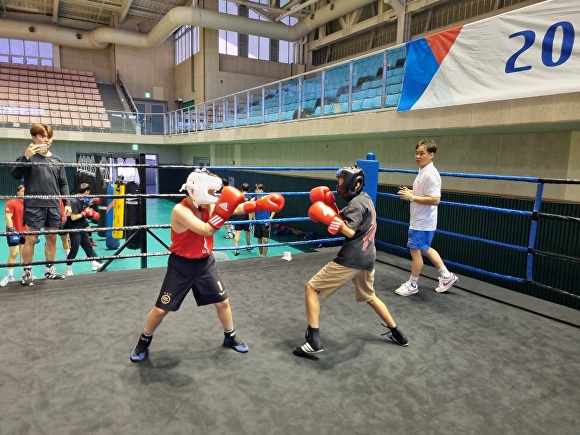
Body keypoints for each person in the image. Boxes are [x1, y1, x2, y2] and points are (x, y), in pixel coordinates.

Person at [129, 169, 284, 362]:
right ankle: (144, 340)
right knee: (161, 309)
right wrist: (223, 210)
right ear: (198, 191)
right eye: (210, 192)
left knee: (222, 302)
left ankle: (230, 336)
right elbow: (205, 230)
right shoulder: (181, 210)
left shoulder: (207, 205)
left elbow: (234, 209)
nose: (214, 196)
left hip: (204, 263)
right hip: (181, 265)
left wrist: (258, 204)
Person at [293, 166, 408, 357]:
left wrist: (331, 220)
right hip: (368, 257)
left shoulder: (356, 204)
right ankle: (398, 334)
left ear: (353, 184)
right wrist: (332, 211)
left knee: (311, 288)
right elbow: (346, 218)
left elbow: (349, 231)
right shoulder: (365, 199)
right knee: (370, 297)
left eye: (340, 183)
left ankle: (313, 340)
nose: (338, 187)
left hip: (352, 258)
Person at [395, 139, 459, 296]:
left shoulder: (431, 174)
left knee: (415, 251)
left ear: (431, 155)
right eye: (416, 153)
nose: (417, 156)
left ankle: (413, 284)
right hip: (421, 219)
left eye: (422, 153)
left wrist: (411, 197)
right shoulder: (423, 171)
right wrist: (410, 192)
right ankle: (446, 276)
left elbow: (435, 200)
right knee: (425, 248)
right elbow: (424, 195)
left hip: (422, 221)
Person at [10, 123, 72, 286]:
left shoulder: (57, 160)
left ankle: (49, 270)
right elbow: (15, 175)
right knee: (31, 239)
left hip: (53, 205)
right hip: (34, 206)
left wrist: (67, 202)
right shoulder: (27, 157)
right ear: (34, 137)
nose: (46, 139)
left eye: (49, 136)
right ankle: (27, 272)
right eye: (42, 136)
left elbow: (63, 183)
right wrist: (26, 157)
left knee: (52, 238)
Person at [63, 183, 103, 276]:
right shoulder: (73, 201)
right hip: (74, 229)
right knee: (74, 249)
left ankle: (94, 264)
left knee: (88, 246)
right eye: (88, 192)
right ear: (86, 191)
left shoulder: (81, 199)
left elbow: (83, 206)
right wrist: (85, 213)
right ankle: (68, 268)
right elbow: (73, 217)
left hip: (81, 227)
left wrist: (91, 203)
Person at [1, 185, 26, 287]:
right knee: (14, 253)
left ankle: (26, 273)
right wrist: (12, 230)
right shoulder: (11, 202)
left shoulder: (29, 203)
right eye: (23, 191)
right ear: (18, 192)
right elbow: (8, 217)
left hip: (25, 232)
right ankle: (10, 276)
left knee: (24, 254)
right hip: (14, 232)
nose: (25, 193)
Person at [253, 183, 276, 257]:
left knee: (265, 240)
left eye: (259, 189)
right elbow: (252, 211)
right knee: (259, 240)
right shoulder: (254, 199)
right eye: (256, 189)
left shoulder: (267, 198)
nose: (258, 191)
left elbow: (274, 208)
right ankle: (261, 255)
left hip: (266, 221)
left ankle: (265, 256)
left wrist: (270, 219)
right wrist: (253, 221)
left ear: (262, 190)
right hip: (257, 222)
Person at [232, 182, 253, 256]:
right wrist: (251, 221)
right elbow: (251, 210)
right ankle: (248, 245)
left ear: (241, 189)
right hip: (246, 217)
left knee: (238, 233)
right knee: (247, 232)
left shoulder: (238, 196)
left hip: (238, 216)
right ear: (249, 189)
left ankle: (236, 249)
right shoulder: (250, 198)